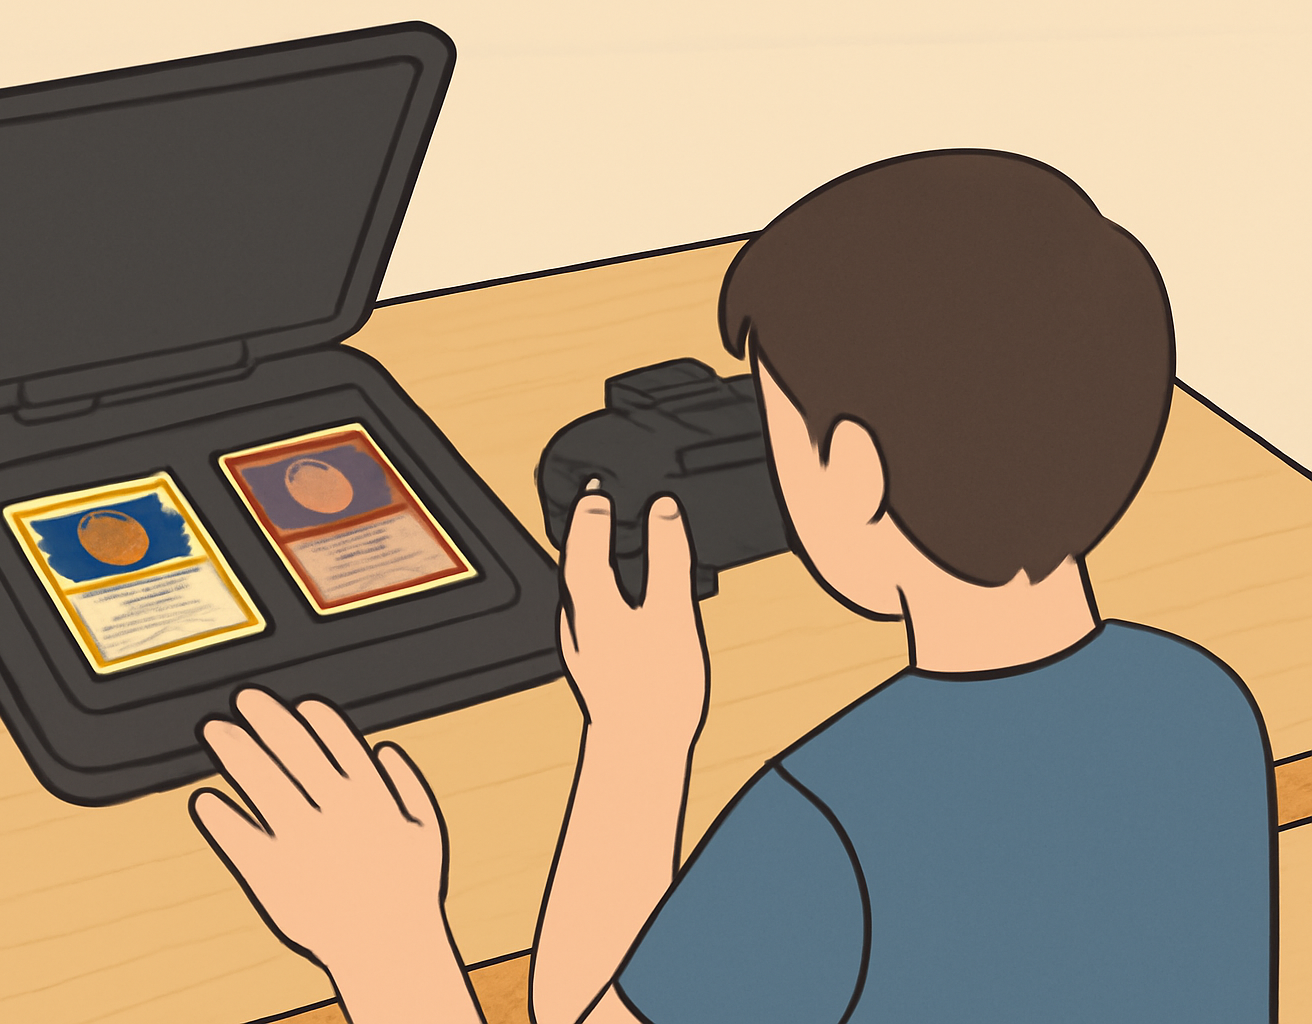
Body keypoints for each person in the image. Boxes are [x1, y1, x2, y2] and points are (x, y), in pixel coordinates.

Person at [188, 150, 1278, 1024]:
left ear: (851, 472)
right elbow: (598, 1002)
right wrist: (641, 731)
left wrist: (384, 944)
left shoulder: (826, 821)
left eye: (770, 424)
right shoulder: (1207, 707)